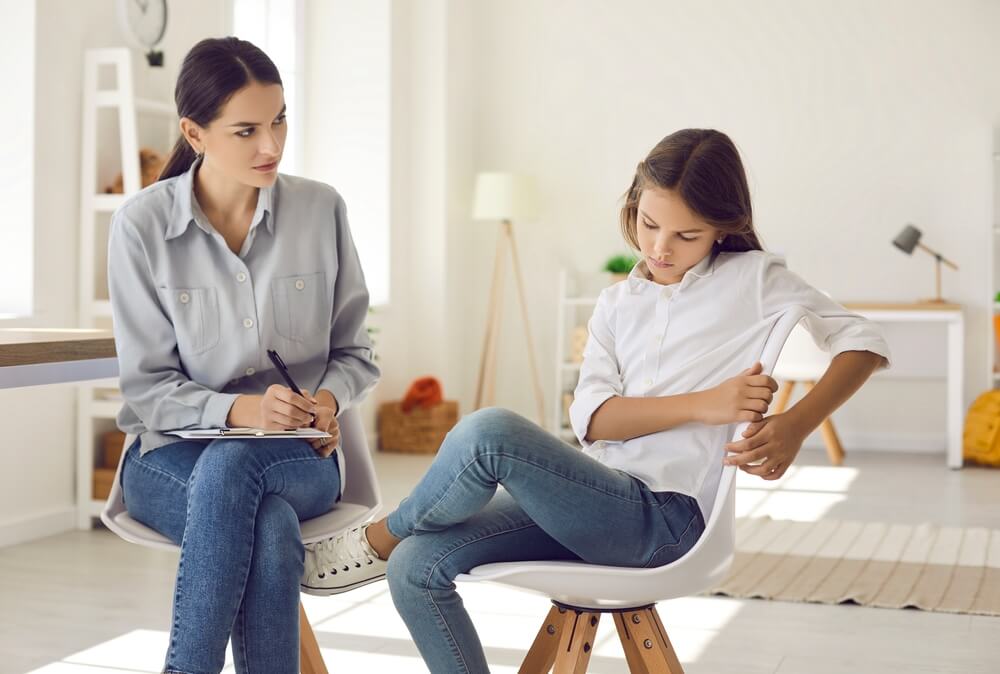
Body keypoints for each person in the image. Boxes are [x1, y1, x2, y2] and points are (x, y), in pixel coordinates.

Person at [302, 128, 891, 673]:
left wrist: (796, 423)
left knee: (490, 433)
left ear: (721, 227)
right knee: (416, 568)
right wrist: (706, 403)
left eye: (686, 235)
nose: (660, 246)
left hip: (667, 519)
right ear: (633, 203)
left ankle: (378, 539)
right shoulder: (616, 305)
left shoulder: (754, 279)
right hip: (596, 501)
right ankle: (395, 547)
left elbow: (862, 341)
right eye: (649, 222)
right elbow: (593, 422)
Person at [107, 37, 378, 673]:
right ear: (194, 134)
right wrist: (244, 412)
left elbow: (356, 352)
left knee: (238, 475)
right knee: (266, 523)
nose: (272, 147)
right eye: (247, 130)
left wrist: (327, 399)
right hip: (166, 456)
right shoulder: (142, 227)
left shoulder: (321, 209)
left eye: (280, 119)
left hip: (300, 456)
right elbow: (147, 388)